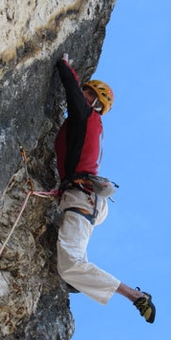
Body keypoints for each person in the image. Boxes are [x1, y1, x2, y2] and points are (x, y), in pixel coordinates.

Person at [55, 54, 156, 323]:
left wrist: (65, 66)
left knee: (71, 266)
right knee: (73, 265)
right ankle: (79, 282)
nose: (84, 96)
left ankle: (135, 295)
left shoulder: (87, 116)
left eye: (89, 95)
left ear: (95, 104)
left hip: (83, 198)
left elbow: (71, 92)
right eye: (86, 92)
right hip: (86, 198)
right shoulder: (91, 126)